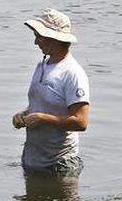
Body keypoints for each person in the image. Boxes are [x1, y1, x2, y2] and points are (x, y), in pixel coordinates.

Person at [12, 9, 91, 177]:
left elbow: (81, 122)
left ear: (54, 39)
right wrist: (23, 115)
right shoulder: (42, 66)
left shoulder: (73, 73)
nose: (35, 42)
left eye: (39, 36)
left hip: (59, 165)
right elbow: (42, 106)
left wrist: (42, 118)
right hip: (33, 159)